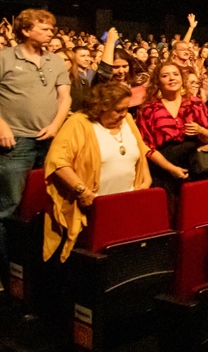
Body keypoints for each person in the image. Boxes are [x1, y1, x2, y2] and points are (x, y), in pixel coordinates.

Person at [0, 9, 71, 293]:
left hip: (50, 139)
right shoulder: (3, 58)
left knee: (46, 204)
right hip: (15, 142)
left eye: (52, 27)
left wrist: (56, 124)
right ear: (25, 30)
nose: (51, 32)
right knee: (5, 207)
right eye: (45, 28)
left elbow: (65, 96)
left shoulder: (55, 60)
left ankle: (37, 269)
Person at [42, 82, 153, 262]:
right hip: (93, 209)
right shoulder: (79, 123)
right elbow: (57, 161)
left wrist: (146, 180)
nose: (124, 114)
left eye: (126, 109)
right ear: (101, 107)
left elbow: (139, 152)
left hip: (126, 205)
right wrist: (82, 191)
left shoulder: (128, 121)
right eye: (118, 110)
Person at [136, 62, 208, 210]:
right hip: (163, 169)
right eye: (165, 75)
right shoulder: (149, 109)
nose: (171, 78)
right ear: (157, 81)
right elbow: (145, 146)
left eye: (175, 74)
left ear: (182, 79)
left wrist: (200, 130)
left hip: (195, 167)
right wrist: (171, 168)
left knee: (196, 212)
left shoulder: (195, 103)